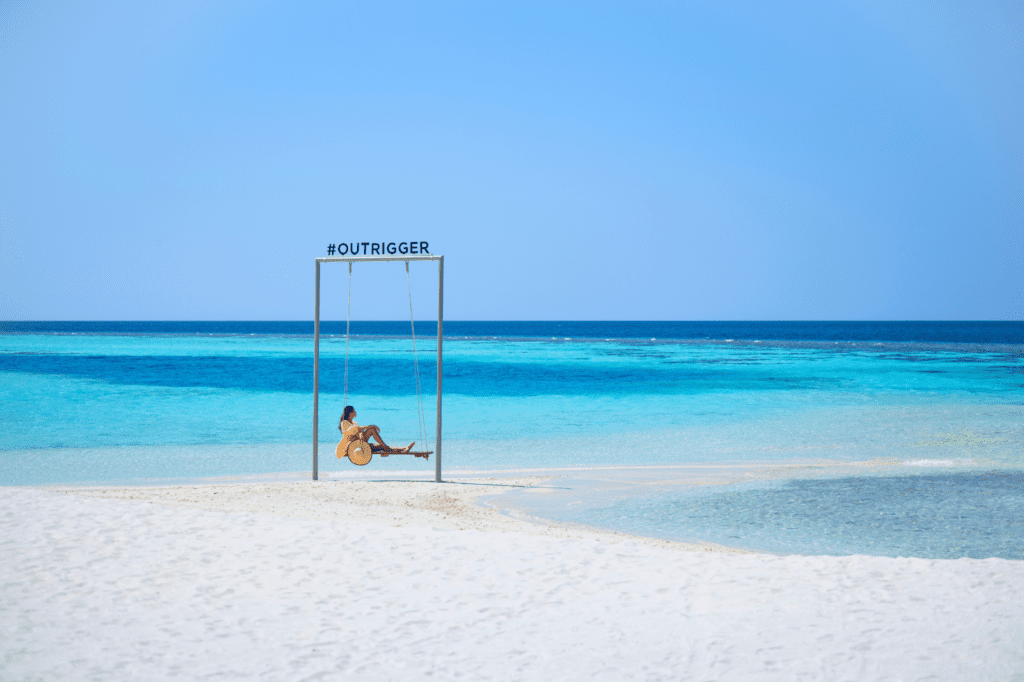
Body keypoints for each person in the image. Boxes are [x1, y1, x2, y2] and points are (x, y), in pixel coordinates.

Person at [337, 406, 413, 457]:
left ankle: (403, 448)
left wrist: (368, 428)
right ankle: (392, 449)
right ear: (350, 413)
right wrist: (370, 426)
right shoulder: (344, 423)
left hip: (359, 445)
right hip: (352, 447)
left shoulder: (354, 422)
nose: (355, 412)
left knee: (381, 446)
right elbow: (355, 430)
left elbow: (358, 431)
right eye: (354, 411)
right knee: (372, 430)